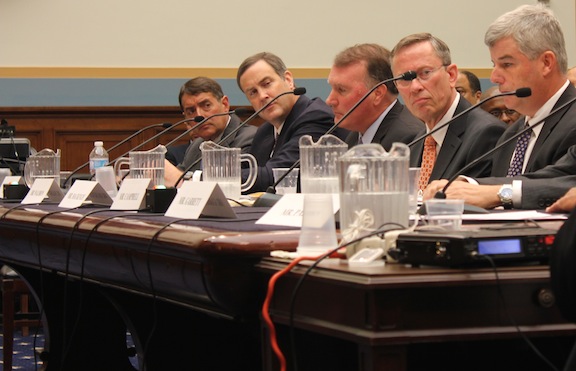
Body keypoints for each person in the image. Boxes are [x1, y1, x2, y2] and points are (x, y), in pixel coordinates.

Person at [423, 4, 576, 210]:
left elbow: (564, 180)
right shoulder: (513, 133)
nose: (494, 77)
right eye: (494, 64)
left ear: (546, 63)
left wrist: (498, 192)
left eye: (507, 64)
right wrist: (468, 185)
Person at [390, 33, 505, 190]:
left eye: (425, 73)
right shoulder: (415, 144)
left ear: (451, 75)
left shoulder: (486, 133)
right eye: (405, 79)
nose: (415, 87)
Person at [236, 52, 348, 192]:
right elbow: (251, 174)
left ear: (288, 80)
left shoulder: (317, 118)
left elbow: (276, 177)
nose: (262, 96)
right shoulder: (265, 132)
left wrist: (212, 177)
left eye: (267, 84)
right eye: (253, 92)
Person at [325, 43, 424, 151]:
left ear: (378, 94)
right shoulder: (355, 134)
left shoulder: (408, 140)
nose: (330, 101)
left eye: (342, 90)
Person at [164, 77, 257, 186]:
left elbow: (234, 181)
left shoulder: (250, 138)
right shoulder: (196, 146)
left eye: (206, 105)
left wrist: (180, 180)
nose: (199, 116)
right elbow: (176, 178)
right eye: (191, 111)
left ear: (225, 104)